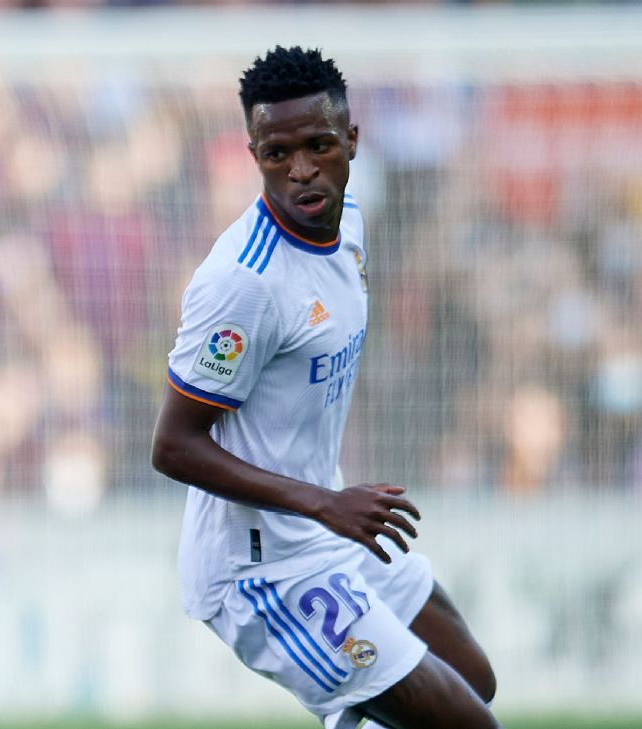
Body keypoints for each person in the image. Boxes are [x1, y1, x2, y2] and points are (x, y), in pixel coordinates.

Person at [150, 47, 499, 729]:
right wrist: (324, 501)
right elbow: (172, 447)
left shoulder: (351, 225)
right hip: (261, 569)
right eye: (278, 153)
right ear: (254, 153)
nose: (301, 169)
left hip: (323, 530)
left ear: (353, 142)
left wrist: (326, 503)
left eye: (318, 145)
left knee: (472, 680)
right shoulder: (242, 284)